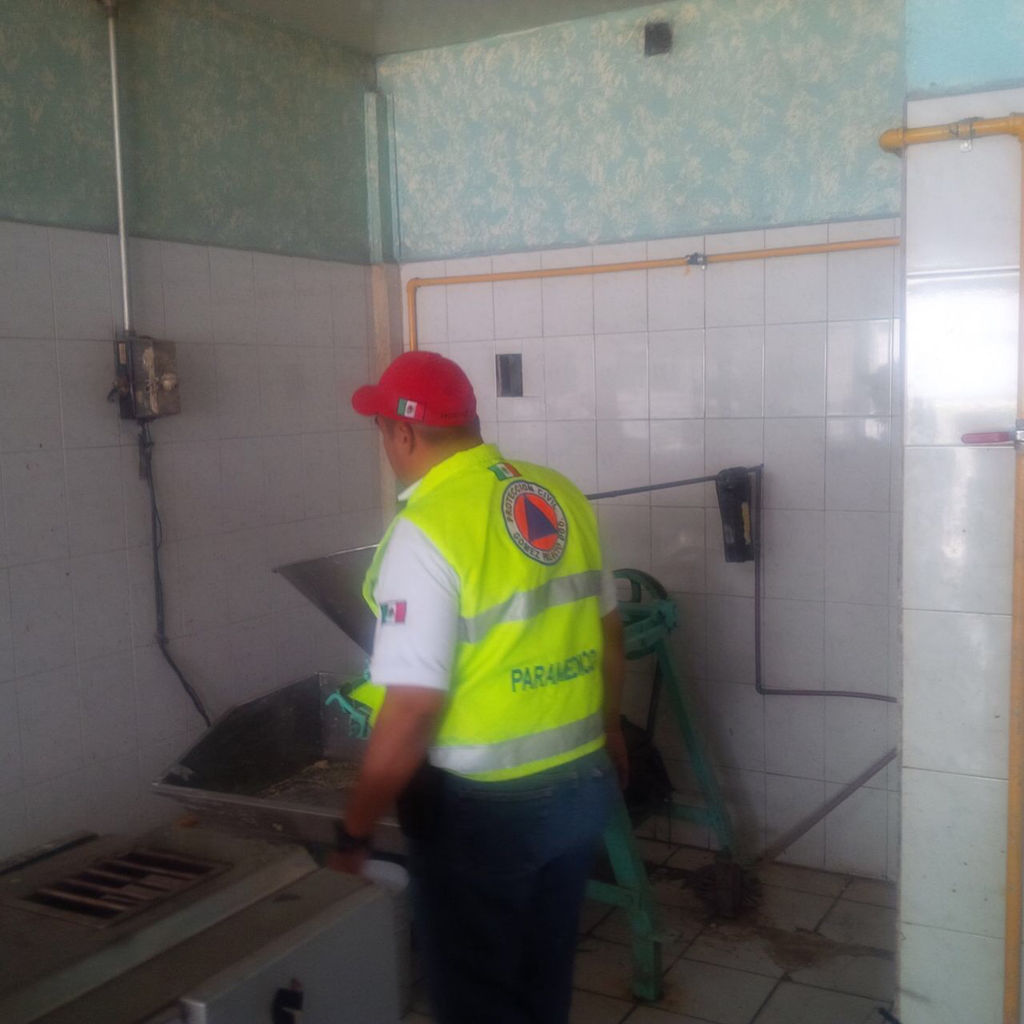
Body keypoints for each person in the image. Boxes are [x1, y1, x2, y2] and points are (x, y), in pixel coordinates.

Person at [333, 350, 628, 1024]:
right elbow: (608, 635)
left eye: (382, 431)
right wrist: (611, 729)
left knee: (477, 1000)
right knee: (543, 980)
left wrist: (355, 828)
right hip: (583, 783)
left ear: (402, 433)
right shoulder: (558, 493)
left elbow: (412, 706)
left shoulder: (428, 528)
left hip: (489, 813)